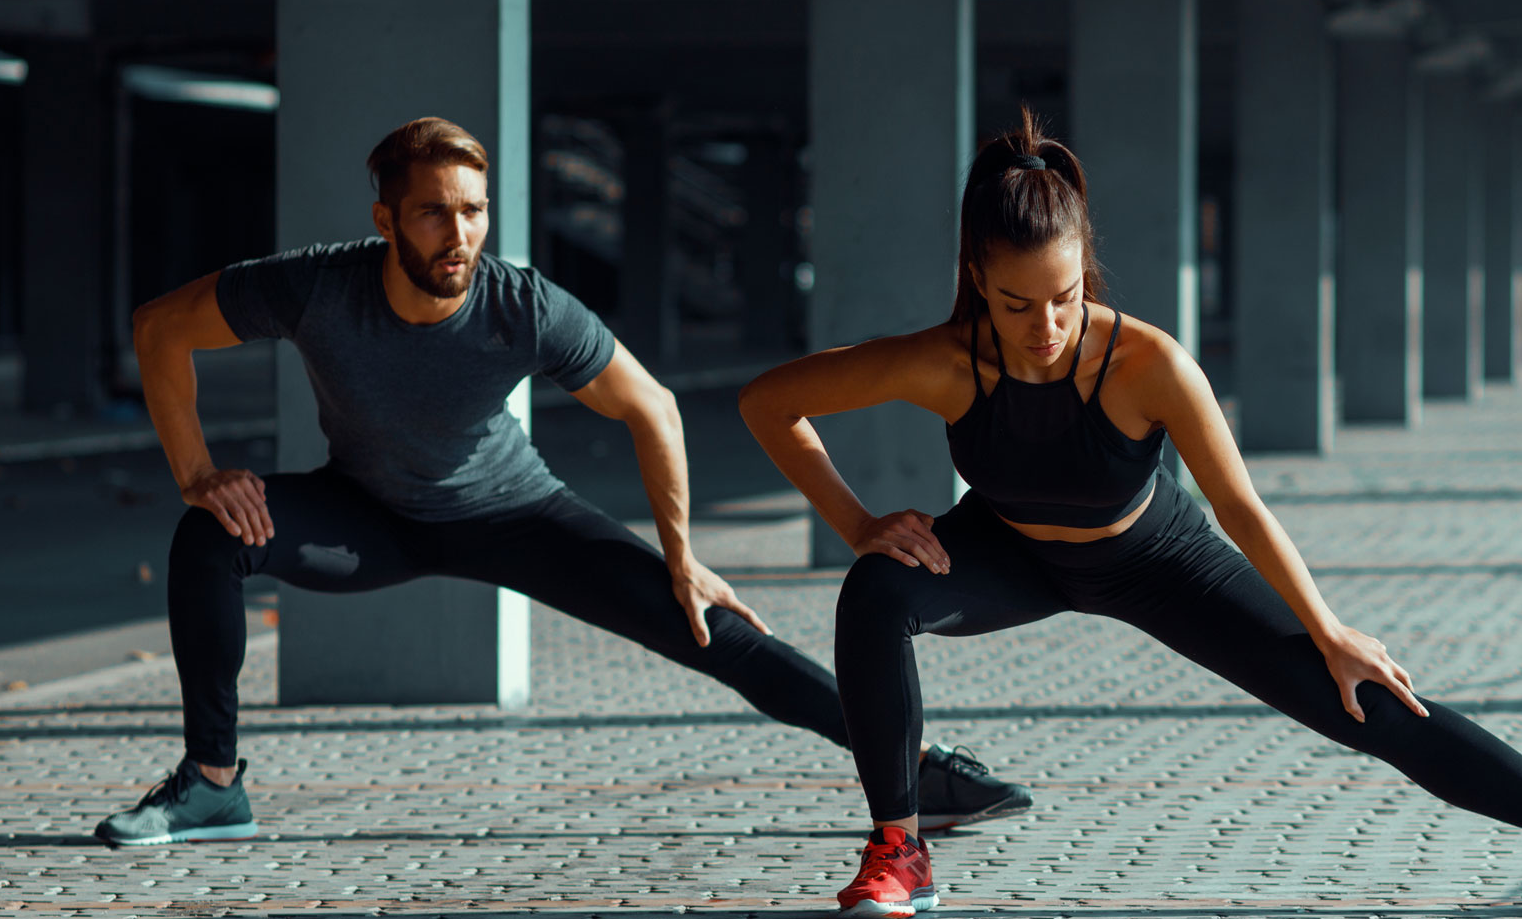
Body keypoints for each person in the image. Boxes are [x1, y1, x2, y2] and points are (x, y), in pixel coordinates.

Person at [738, 109, 1522, 919]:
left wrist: (1329, 629)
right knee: (873, 593)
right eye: (1019, 302)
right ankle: (899, 850)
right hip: (1012, 550)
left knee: (1359, 697)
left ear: (1086, 273)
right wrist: (859, 522)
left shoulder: (1146, 363)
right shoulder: (943, 362)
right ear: (978, 278)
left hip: (1160, 559)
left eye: (1065, 298)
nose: (1045, 328)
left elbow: (1238, 503)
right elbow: (768, 403)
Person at [95, 116, 1031, 847]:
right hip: (366, 514)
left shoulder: (521, 303)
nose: (458, 233)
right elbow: (159, 329)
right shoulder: (315, 288)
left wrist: (683, 557)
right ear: (385, 218)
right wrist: (198, 472)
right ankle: (214, 789)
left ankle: (918, 769)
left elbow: (652, 407)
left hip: (518, 514)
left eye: (473, 209)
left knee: (711, 628)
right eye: (432, 211)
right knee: (209, 537)